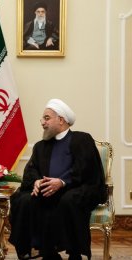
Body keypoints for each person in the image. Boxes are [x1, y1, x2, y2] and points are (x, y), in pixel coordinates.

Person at [8, 99, 107, 260]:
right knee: (24, 199)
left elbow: (86, 168)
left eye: (46, 118)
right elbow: (31, 169)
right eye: (42, 119)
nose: (42, 122)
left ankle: (75, 252)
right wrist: (37, 181)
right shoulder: (41, 146)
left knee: (68, 200)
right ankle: (44, 251)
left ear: (61, 120)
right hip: (48, 189)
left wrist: (62, 182)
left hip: (76, 188)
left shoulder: (81, 139)